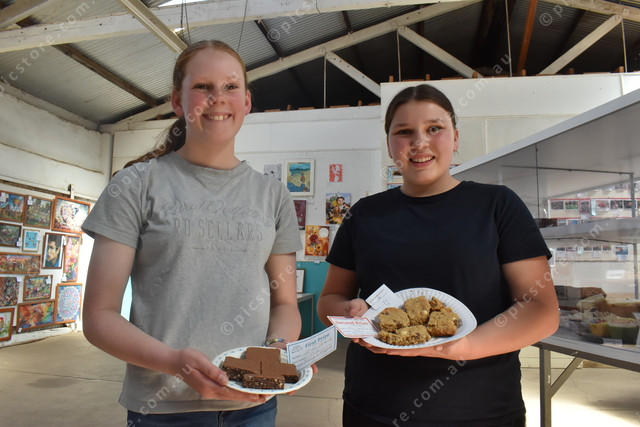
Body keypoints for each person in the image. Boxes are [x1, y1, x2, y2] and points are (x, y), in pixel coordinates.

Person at [81, 40, 302, 426]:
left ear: (246, 101)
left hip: (253, 407)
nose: (218, 98)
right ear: (177, 102)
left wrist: (277, 350)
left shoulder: (273, 195)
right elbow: (99, 316)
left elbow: (284, 304)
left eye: (230, 86)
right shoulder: (136, 185)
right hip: (162, 409)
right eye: (203, 87)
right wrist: (173, 362)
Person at [317, 84, 559, 427]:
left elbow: (541, 309)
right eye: (404, 132)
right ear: (389, 144)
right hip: (374, 407)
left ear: (455, 137)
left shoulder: (497, 205)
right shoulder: (364, 215)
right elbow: (329, 299)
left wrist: (460, 347)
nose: (419, 142)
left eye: (434, 128)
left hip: (482, 410)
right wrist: (349, 313)